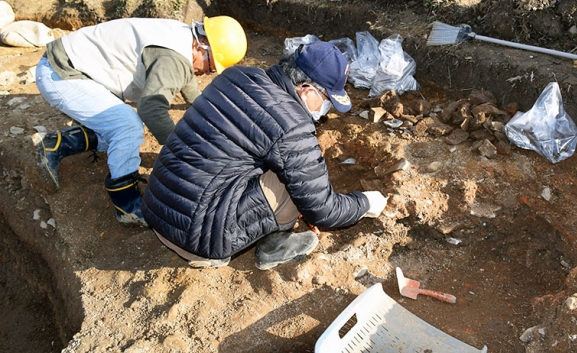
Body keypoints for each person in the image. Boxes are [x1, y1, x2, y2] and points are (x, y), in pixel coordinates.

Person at [142, 41, 388, 270]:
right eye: (325, 99)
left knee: (281, 162)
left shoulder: (235, 76)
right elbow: (324, 210)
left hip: (158, 206)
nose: (325, 110)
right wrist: (366, 203)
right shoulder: (291, 125)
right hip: (197, 238)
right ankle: (274, 247)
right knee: (293, 179)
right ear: (305, 90)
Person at [33, 16, 247, 226]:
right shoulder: (173, 59)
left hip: (72, 65)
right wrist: (181, 151)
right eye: (211, 65)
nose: (208, 72)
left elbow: (191, 90)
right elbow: (150, 109)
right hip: (62, 73)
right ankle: (126, 204)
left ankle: (55, 144)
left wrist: (222, 122)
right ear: (202, 46)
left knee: (117, 131)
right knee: (127, 126)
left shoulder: (180, 39)